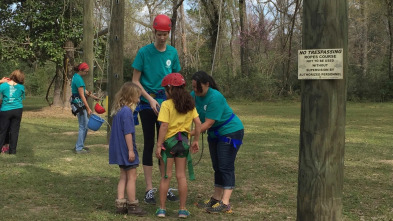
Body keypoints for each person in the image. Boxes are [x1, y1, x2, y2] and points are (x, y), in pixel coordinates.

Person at [132, 14, 181, 204]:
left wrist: (174, 101)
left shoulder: (172, 53)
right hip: (146, 102)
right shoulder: (144, 53)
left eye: (165, 34)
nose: (162, 38)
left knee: (166, 144)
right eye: (159, 34)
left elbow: (176, 79)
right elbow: (135, 81)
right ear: (154, 32)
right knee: (150, 143)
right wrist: (150, 100)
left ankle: (165, 185)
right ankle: (149, 189)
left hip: (167, 103)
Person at [190, 71, 244, 214]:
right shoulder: (193, 95)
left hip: (230, 132)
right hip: (215, 134)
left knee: (225, 166)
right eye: (193, 87)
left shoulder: (215, 97)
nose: (195, 90)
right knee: (217, 166)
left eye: (198, 87)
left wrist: (187, 133)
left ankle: (225, 203)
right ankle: (216, 197)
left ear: (207, 84)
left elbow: (207, 124)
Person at [155, 73, 201, 218]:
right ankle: (182, 209)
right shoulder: (190, 104)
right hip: (184, 144)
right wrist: (195, 140)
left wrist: (158, 145)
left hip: (169, 144)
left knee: (165, 176)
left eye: (165, 90)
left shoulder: (166, 105)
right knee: (181, 176)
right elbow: (198, 123)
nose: (165, 93)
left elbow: (164, 125)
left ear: (170, 89)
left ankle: (162, 209)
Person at [109, 82, 147, 216]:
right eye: (137, 96)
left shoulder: (119, 110)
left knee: (123, 176)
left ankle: (120, 204)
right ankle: (132, 205)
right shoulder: (127, 112)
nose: (138, 99)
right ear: (131, 96)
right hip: (126, 149)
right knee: (132, 176)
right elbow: (128, 133)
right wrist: (131, 150)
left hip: (119, 149)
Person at [70, 62, 100, 154]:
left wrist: (94, 97)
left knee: (85, 125)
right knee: (83, 126)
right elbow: (82, 96)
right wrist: (88, 108)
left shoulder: (76, 76)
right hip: (79, 105)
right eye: (86, 72)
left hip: (78, 104)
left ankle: (80, 145)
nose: (87, 73)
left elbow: (84, 90)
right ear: (81, 70)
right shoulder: (79, 79)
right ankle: (78, 148)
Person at [0, 71, 25, 154]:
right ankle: (12, 151)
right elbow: (22, 97)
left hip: (5, 109)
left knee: (2, 130)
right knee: (14, 131)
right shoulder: (21, 87)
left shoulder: (3, 86)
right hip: (17, 110)